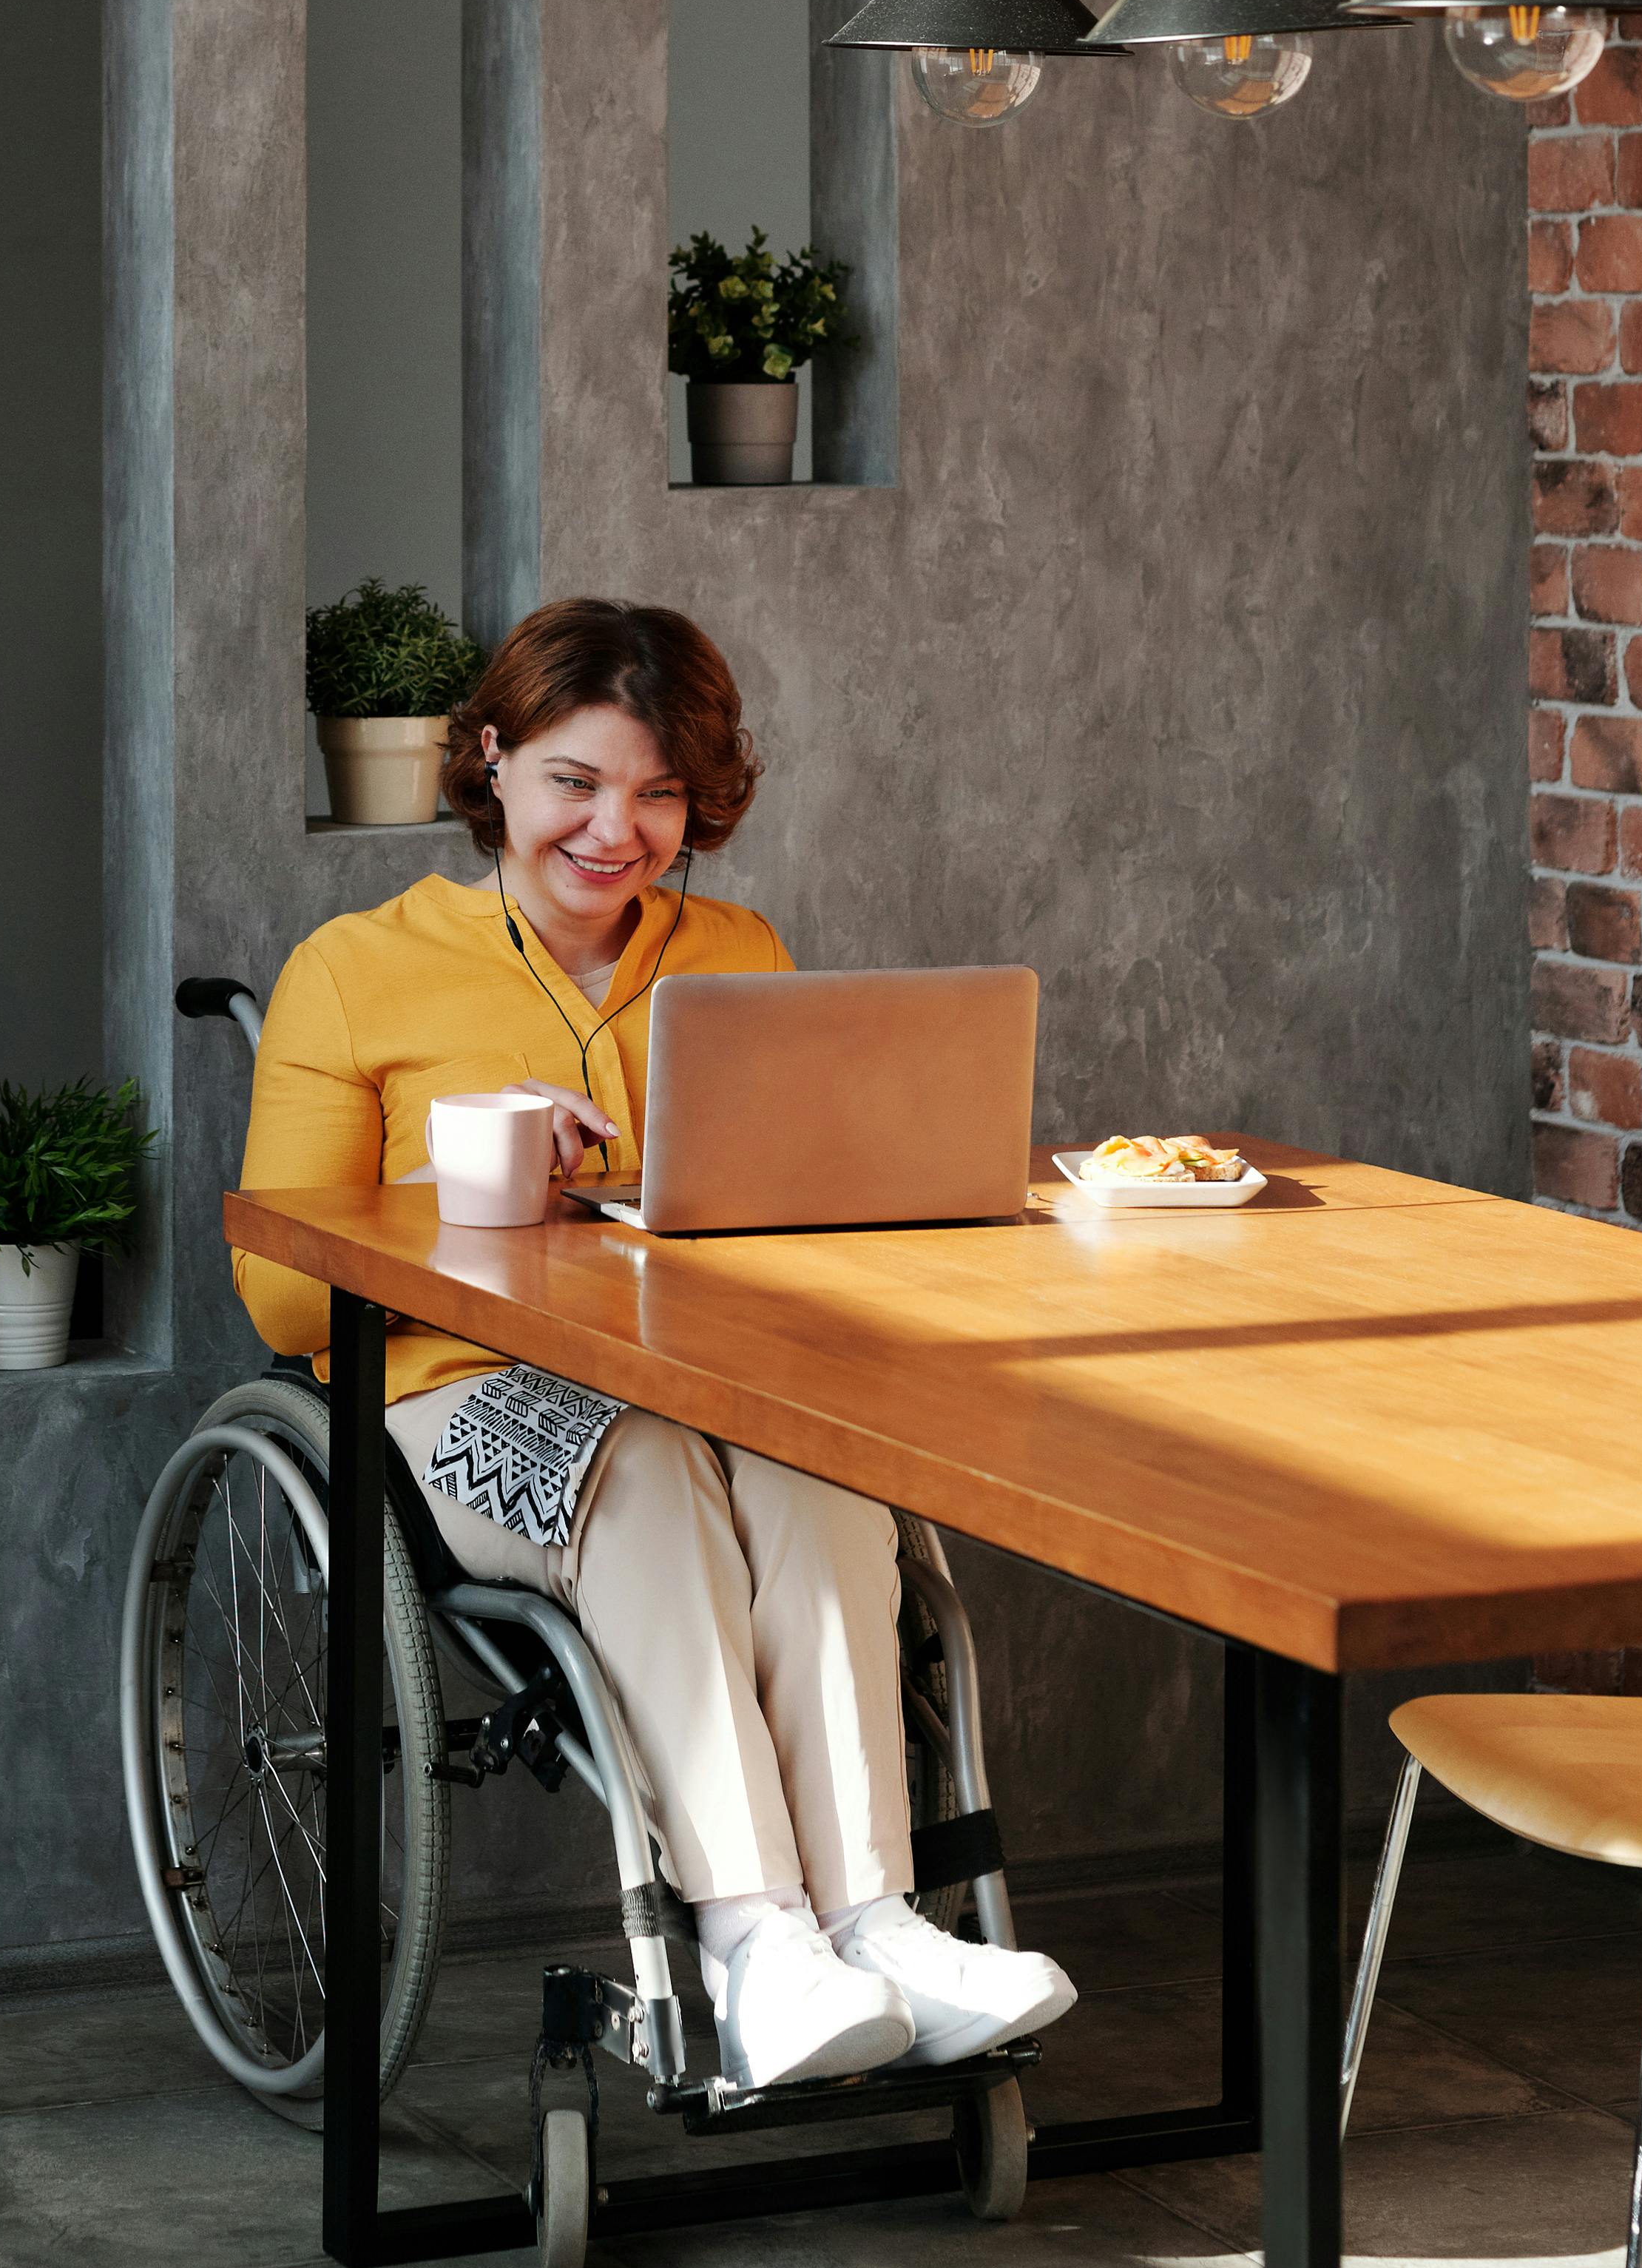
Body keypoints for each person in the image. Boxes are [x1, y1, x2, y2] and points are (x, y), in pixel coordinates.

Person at [234, 593, 1075, 2095]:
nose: (614, 828)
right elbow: (286, 1302)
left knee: (824, 1475)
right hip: (457, 1397)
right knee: (642, 1473)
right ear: (490, 760)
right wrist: (475, 1186)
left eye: (657, 792)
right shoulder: (353, 972)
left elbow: (791, 1221)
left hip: (707, 1381)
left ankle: (874, 1924)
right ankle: (754, 1940)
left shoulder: (735, 949)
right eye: (574, 779)